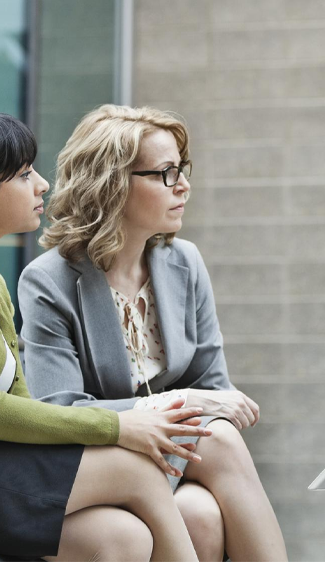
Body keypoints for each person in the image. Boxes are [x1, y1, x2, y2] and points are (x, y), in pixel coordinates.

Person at [19, 104, 287, 562]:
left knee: (200, 513)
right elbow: (57, 408)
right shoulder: (49, 280)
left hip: (175, 462)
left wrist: (198, 404)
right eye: (165, 173)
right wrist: (175, 404)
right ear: (112, 185)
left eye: (182, 169)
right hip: (96, 463)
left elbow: (213, 386)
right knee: (218, 439)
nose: (183, 185)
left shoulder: (184, 263)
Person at [0, 112, 211, 562]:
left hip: (23, 461)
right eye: (22, 174)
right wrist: (121, 423)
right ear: (113, 185)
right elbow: (37, 407)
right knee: (139, 468)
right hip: (22, 466)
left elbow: (17, 397)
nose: (42, 184)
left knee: (126, 536)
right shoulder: (45, 278)